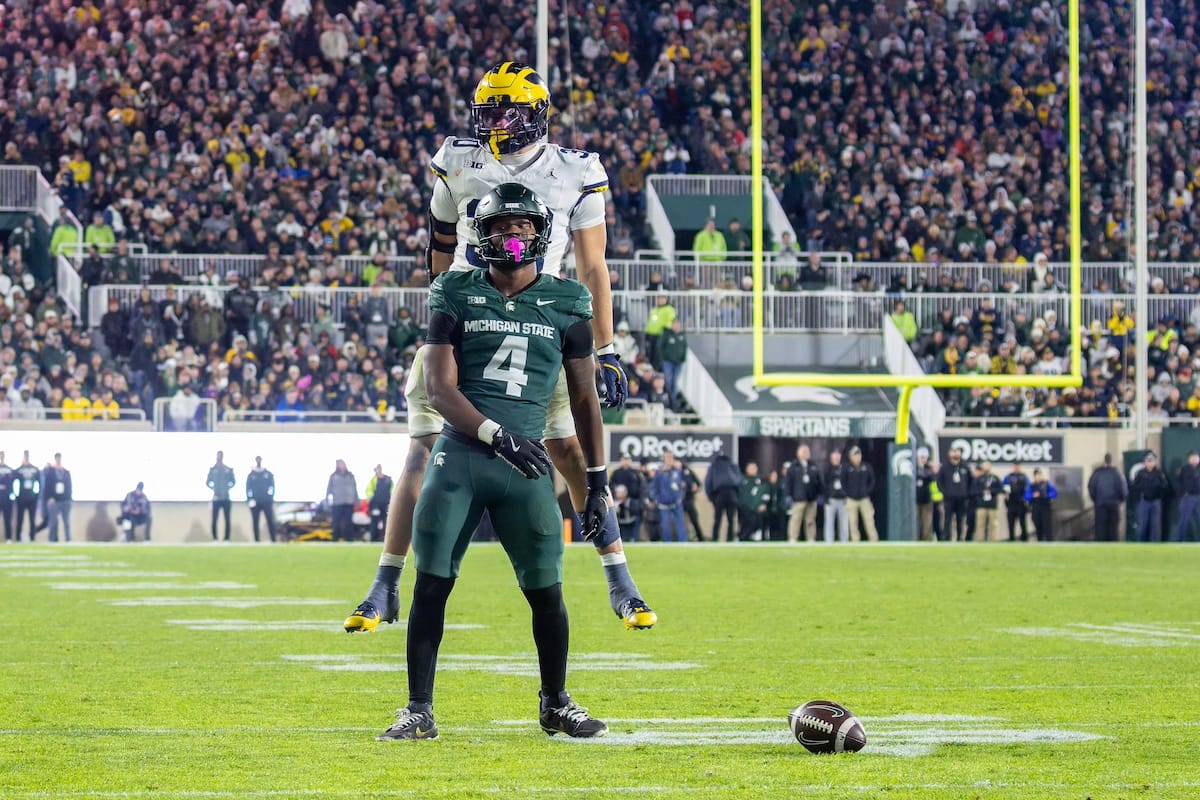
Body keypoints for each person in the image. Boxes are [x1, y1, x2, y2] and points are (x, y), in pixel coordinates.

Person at [345, 62, 655, 635]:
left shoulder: (575, 170)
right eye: (489, 110)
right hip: (469, 319)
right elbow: (440, 246)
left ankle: (620, 577)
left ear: (535, 113)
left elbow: (593, 266)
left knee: (570, 449)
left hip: (542, 322)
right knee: (422, 449)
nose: (495, 122)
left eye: (507, 111)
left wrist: (607, 347)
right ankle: (384, 582)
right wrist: (446, 313)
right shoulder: (458, 159)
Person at [375, 183, 609, 742]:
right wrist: (496, 435)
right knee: (432, 585)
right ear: (481, 235)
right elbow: (439, 388)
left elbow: (584, 398)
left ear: (541, 233)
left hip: (524, 468)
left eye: (523, 226)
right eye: (502, 226)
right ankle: (418, 709)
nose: (513, 236)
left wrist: (597, 483)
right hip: (461, 458)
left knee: (546, 591)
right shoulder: (455, 289)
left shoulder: (568, 300)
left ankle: (555, 702)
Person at [784, 445, 821, 543]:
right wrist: (788, 495)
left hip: (811, 498)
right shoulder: (793, 466)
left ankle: (811, 538)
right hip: (798, 498)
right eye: (803, 452)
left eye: (807, 452)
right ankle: (793, 538)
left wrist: (819, 494)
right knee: (796, 519)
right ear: (798, 454)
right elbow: (788, 482)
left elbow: (819, 481)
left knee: (810, 520)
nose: (805, 454)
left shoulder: (813, 466)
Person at [649, 451, 688, 543]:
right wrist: (656, 500)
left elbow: (685, 483)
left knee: (680, 524)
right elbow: (654, 487)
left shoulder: (678, 471)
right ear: (664, 459)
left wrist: (682, 493)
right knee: (665, 525)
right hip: (664, 504)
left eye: (671, 457)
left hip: (676, 503)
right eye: (667, 457)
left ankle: (683, 543)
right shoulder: (659, 472)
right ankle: (667, 544)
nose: (669, 459)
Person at [1087, 453, 1127, 542]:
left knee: (1100, 528)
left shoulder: (1097, 474)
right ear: (1111, 461)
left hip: (1100, 504)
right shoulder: (1117, 473)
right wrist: (1121, 499)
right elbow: (1122, 488)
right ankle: (1112, 545)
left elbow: (1091, 487)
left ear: (1104, 461)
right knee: (1113, 528)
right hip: (1113, 504)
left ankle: (1100, 545)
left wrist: (1095, 500)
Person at [1131, 452, 1169, 542]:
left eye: (1152, 461)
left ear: (1155, 462)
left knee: (1155, 526)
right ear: (1144, 462)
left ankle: (1155, 544)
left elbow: (1165, 486)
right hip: (1144, 501)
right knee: (1142, 525)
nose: (1150, 463)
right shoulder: (1140, 473)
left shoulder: (1159, 473)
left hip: (1155, 502)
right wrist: (1142, 490)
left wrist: (1158, 492)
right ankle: (1141, 544)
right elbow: (1134, 487)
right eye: (1148, 461)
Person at [937, 446, 973, 541]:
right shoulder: (944, 467)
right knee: (947, 519)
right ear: (949, 453)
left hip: (962, 498)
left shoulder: (965, 466)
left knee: (960, 519)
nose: (955, 454)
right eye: (953, 451)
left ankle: (959, 538)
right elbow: (939, 481)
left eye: (957, 451)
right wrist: (944, 492)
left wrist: (967, 493)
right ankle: (947, 538)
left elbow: (970, 481)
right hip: (949, 498)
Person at [843, 446, 878, 542]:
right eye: (855, 455)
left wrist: (867, 491)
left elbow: (872, 481)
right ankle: (855, 541)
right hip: (851, 499)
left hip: (864, 499)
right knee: (852, 522)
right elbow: (843, 482)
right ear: (850, 457)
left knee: (869, 521)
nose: (857, 457)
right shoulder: (846, 468)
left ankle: (874, 541)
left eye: (858, 455)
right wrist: (848, 493)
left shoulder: (866, 467)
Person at [610, 454, 645, 542]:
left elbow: (640, 488)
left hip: (632, 502)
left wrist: (627, 496)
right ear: (621, 460)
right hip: (617, 502)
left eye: (627, 459)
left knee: (636, 519)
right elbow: (611, 487)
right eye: (624, 459)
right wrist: (617, 495)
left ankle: (635, 539)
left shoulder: (636, 473)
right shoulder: (616, 473)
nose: (626, 461)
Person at [245, 456, 277, 543]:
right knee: (255, 521)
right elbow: (247, 488)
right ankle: (257, 539)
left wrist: (270, 498)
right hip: (255, 501)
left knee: (270, 520)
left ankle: (273, 539)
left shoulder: (268, 474)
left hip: (266, 501)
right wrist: (249, 499)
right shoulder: (251, 475)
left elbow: (272, 487)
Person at [326, 459, 359, 542]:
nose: (341, 466)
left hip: (349, 502)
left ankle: (349, 539)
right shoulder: (333, 476)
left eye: (342, 464)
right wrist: (327, 500)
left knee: (348, 522)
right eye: (339, 464)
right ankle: (335, 539)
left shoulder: (351, 476)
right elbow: (329, 489)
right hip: (337, 503)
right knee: (336, 522)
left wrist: (357, 501)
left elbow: (355, 489)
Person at [206, 451, 236, 542]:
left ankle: (226, 538)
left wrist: (227, 488)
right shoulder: (213, 469)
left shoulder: (228, 469)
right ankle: (215, 538)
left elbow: (233, 482)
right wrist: (214, 488)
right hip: (216, 498)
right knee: (214, 519)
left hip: (226, 498)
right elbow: (208, 482)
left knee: (227, 518)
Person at [737, 462, 771, 542]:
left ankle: (748, 537)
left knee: (755, 522)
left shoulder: (761, 480)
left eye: (754, 468)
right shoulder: (742, 480)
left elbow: (766, 492)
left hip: (756, 509)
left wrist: (763, 503)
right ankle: (742, 538)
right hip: (744, 508)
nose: (752, 470)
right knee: (745, 524)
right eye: (750, 468)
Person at [43, 452, 72, 543]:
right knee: (53, 522)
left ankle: (68, 539)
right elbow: (47, 486)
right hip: (54, 500)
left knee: (66, 522)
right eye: (57, 458)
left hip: (65, 500)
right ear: (55, 459)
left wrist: (69, 498)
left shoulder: (65, 472)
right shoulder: (50, 472)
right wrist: (49, 497)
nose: (59, 460)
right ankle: (52, 540)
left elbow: (69, 486)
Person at [13, 451, 41, 542]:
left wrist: (37, 495)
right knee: (20, 519)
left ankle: (32, 537)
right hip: (21, 498)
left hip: (32, 498)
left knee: (32, 519)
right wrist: (16, 495)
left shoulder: (35, 469)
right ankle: (18, 538)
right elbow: (13, 480)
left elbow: (39, 483)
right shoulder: (20, 469)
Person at [972, 461, 1003, 542]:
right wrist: (983, 492)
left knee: (994, 524)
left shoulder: (995, 478)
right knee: (980, 524)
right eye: (984, 466)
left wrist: (991, 491)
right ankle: (980, 540)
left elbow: (1000, 489)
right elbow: (974, 490)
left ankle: (994, 540)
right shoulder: (979, 478)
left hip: (992, 505)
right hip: (981, 505)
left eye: (987, 466)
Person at [1025, 469, 1059, 541]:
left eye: (1040, 475)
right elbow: (1026, 496)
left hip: (1045, 508)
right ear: (1034, 476)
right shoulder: (1031, 486)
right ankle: (1040, 541)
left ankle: (1049, 541)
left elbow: (1054, 493)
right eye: (1037, 475)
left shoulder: (1046, 484)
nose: (1039, 476)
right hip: (1035, 508)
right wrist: (1033, 495)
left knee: (1047, 527)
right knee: (1038, 527)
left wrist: (1045, 495)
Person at [823, 450, 849, 543]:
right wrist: (826, 498)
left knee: (844, 522)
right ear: (831, 459)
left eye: (838, 457)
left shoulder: (844, 468)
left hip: (843, 499)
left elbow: (848, 482)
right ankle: (829, 541)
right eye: (834, 458)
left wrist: (847, 495)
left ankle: (844, 541)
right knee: (829, 522)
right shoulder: (827, 469)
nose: (836, 459)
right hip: (831, 499)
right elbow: (824, 485)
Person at [1173, 451, 1200, 542]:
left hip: (1199, 496)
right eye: (1192, 457)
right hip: (1188, 497)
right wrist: (1183, 492)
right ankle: (1179, 541)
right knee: (1183, 520)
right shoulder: (1183, 469)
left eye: (1196, 457)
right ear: (1189, 459)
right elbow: (1177, 482)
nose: (1195, 459)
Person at [1003, 462, 1032, 542]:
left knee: (1022, 523)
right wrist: (1006, 496)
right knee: (1011, 523)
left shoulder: (1024, 477)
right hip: (1011, 503)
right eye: (1015, 466)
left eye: (1018, 466)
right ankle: (1011, 539)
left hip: (1021, 503)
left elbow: (1028, 488)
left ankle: (1024, 539)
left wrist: (1026, 499)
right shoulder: (1009, 477)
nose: (1016, 467)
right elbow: (1005, 487)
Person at [366, 464, 393, 543]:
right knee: (374, 522)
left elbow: (393, 490)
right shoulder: (373, 480)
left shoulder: (389, 479)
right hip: (375, 505)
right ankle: (373, 539)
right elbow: (368, 490)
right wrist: (372, 499)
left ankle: (385, 539)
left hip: (386, 504)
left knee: (386, 522)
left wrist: (392, 500)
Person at [914, 448, 936, 541]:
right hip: (915, 499)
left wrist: (933, 469)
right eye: (921, 457)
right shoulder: (912, 467)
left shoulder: (929, 470)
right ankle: (915, 538)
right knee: (915, 521)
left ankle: (927, 539)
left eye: (924, 457)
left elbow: (932, 478)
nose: (923, 460)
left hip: (927, 499)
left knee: (927, 521)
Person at [0, 451, 14, 543]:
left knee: (7, 519)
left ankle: (8, 538)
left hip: (6, 498)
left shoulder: (9, 469)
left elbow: (11, 483)